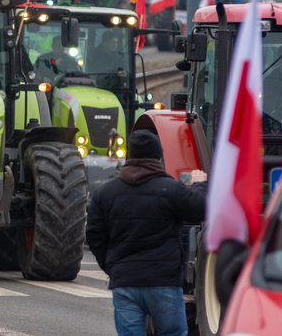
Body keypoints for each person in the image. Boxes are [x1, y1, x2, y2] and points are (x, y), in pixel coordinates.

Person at [86, 130, 208, 336]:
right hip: (164, 282)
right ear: (158, 156)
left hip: (125, 282)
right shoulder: (171, 189)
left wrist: (113, 268)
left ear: (129, 157)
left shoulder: (105, 193)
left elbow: (95, 237)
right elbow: (201, 208)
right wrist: (200, 184)